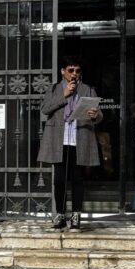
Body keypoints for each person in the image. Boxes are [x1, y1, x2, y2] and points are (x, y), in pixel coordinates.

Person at [37, 56, 103, 231]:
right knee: (59, 180)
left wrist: (95, 115)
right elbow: (44, 109)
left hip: (79, 139)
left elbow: (100, 115)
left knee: (77, 180)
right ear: (63, 71)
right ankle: (59, 216)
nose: (74, 74)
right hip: (58, 140)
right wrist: (64, 95)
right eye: (71, 70)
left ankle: (76, 217)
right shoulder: (54, 88)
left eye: (78, 71)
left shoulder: (88, 90)